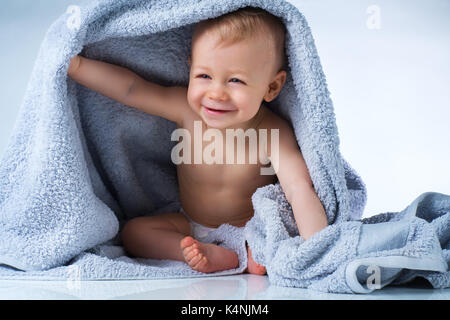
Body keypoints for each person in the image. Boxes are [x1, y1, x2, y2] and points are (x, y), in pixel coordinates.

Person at [67, 7, 328, 274]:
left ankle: (249, 252)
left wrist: (318, 248)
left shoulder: (273, 131)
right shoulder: (186, 109)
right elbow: (132, 89)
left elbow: (299, 189)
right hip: (190, 223)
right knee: (134, 233)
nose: (216, 93)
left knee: (270, 243)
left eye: (235, 80)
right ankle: (195, 251)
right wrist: (77, 67)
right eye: (204, 76)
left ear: (271, 87)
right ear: (190, 69)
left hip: (251, 225)